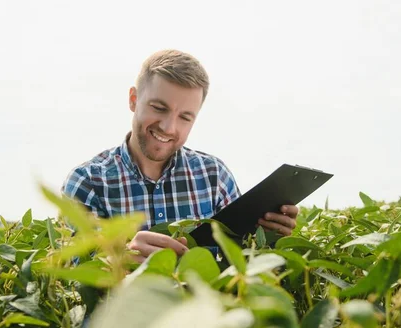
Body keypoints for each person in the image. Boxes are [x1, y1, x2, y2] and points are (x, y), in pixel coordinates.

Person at [62, 49, 298, 263]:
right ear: (134, 100)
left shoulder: (214, 176)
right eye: (159, 108)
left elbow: (240, 261)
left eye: (185, 117)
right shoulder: (88, 181)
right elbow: (77, 273)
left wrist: (268, 236)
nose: (168, 127)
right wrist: (121, 258)